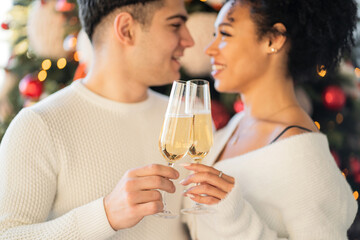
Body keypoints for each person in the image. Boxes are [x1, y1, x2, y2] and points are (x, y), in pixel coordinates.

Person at [0, 0, 194, 239]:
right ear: (126, 30)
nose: (189, 40)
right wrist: (105, 215)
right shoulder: (39, 124)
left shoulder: (186, 118)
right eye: (175, 25)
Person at [180, 0, 358, 239]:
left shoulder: (303, 157)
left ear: (273, 40)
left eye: (224, 33)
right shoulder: (236, 125)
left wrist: (237, 220)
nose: (210, 49)